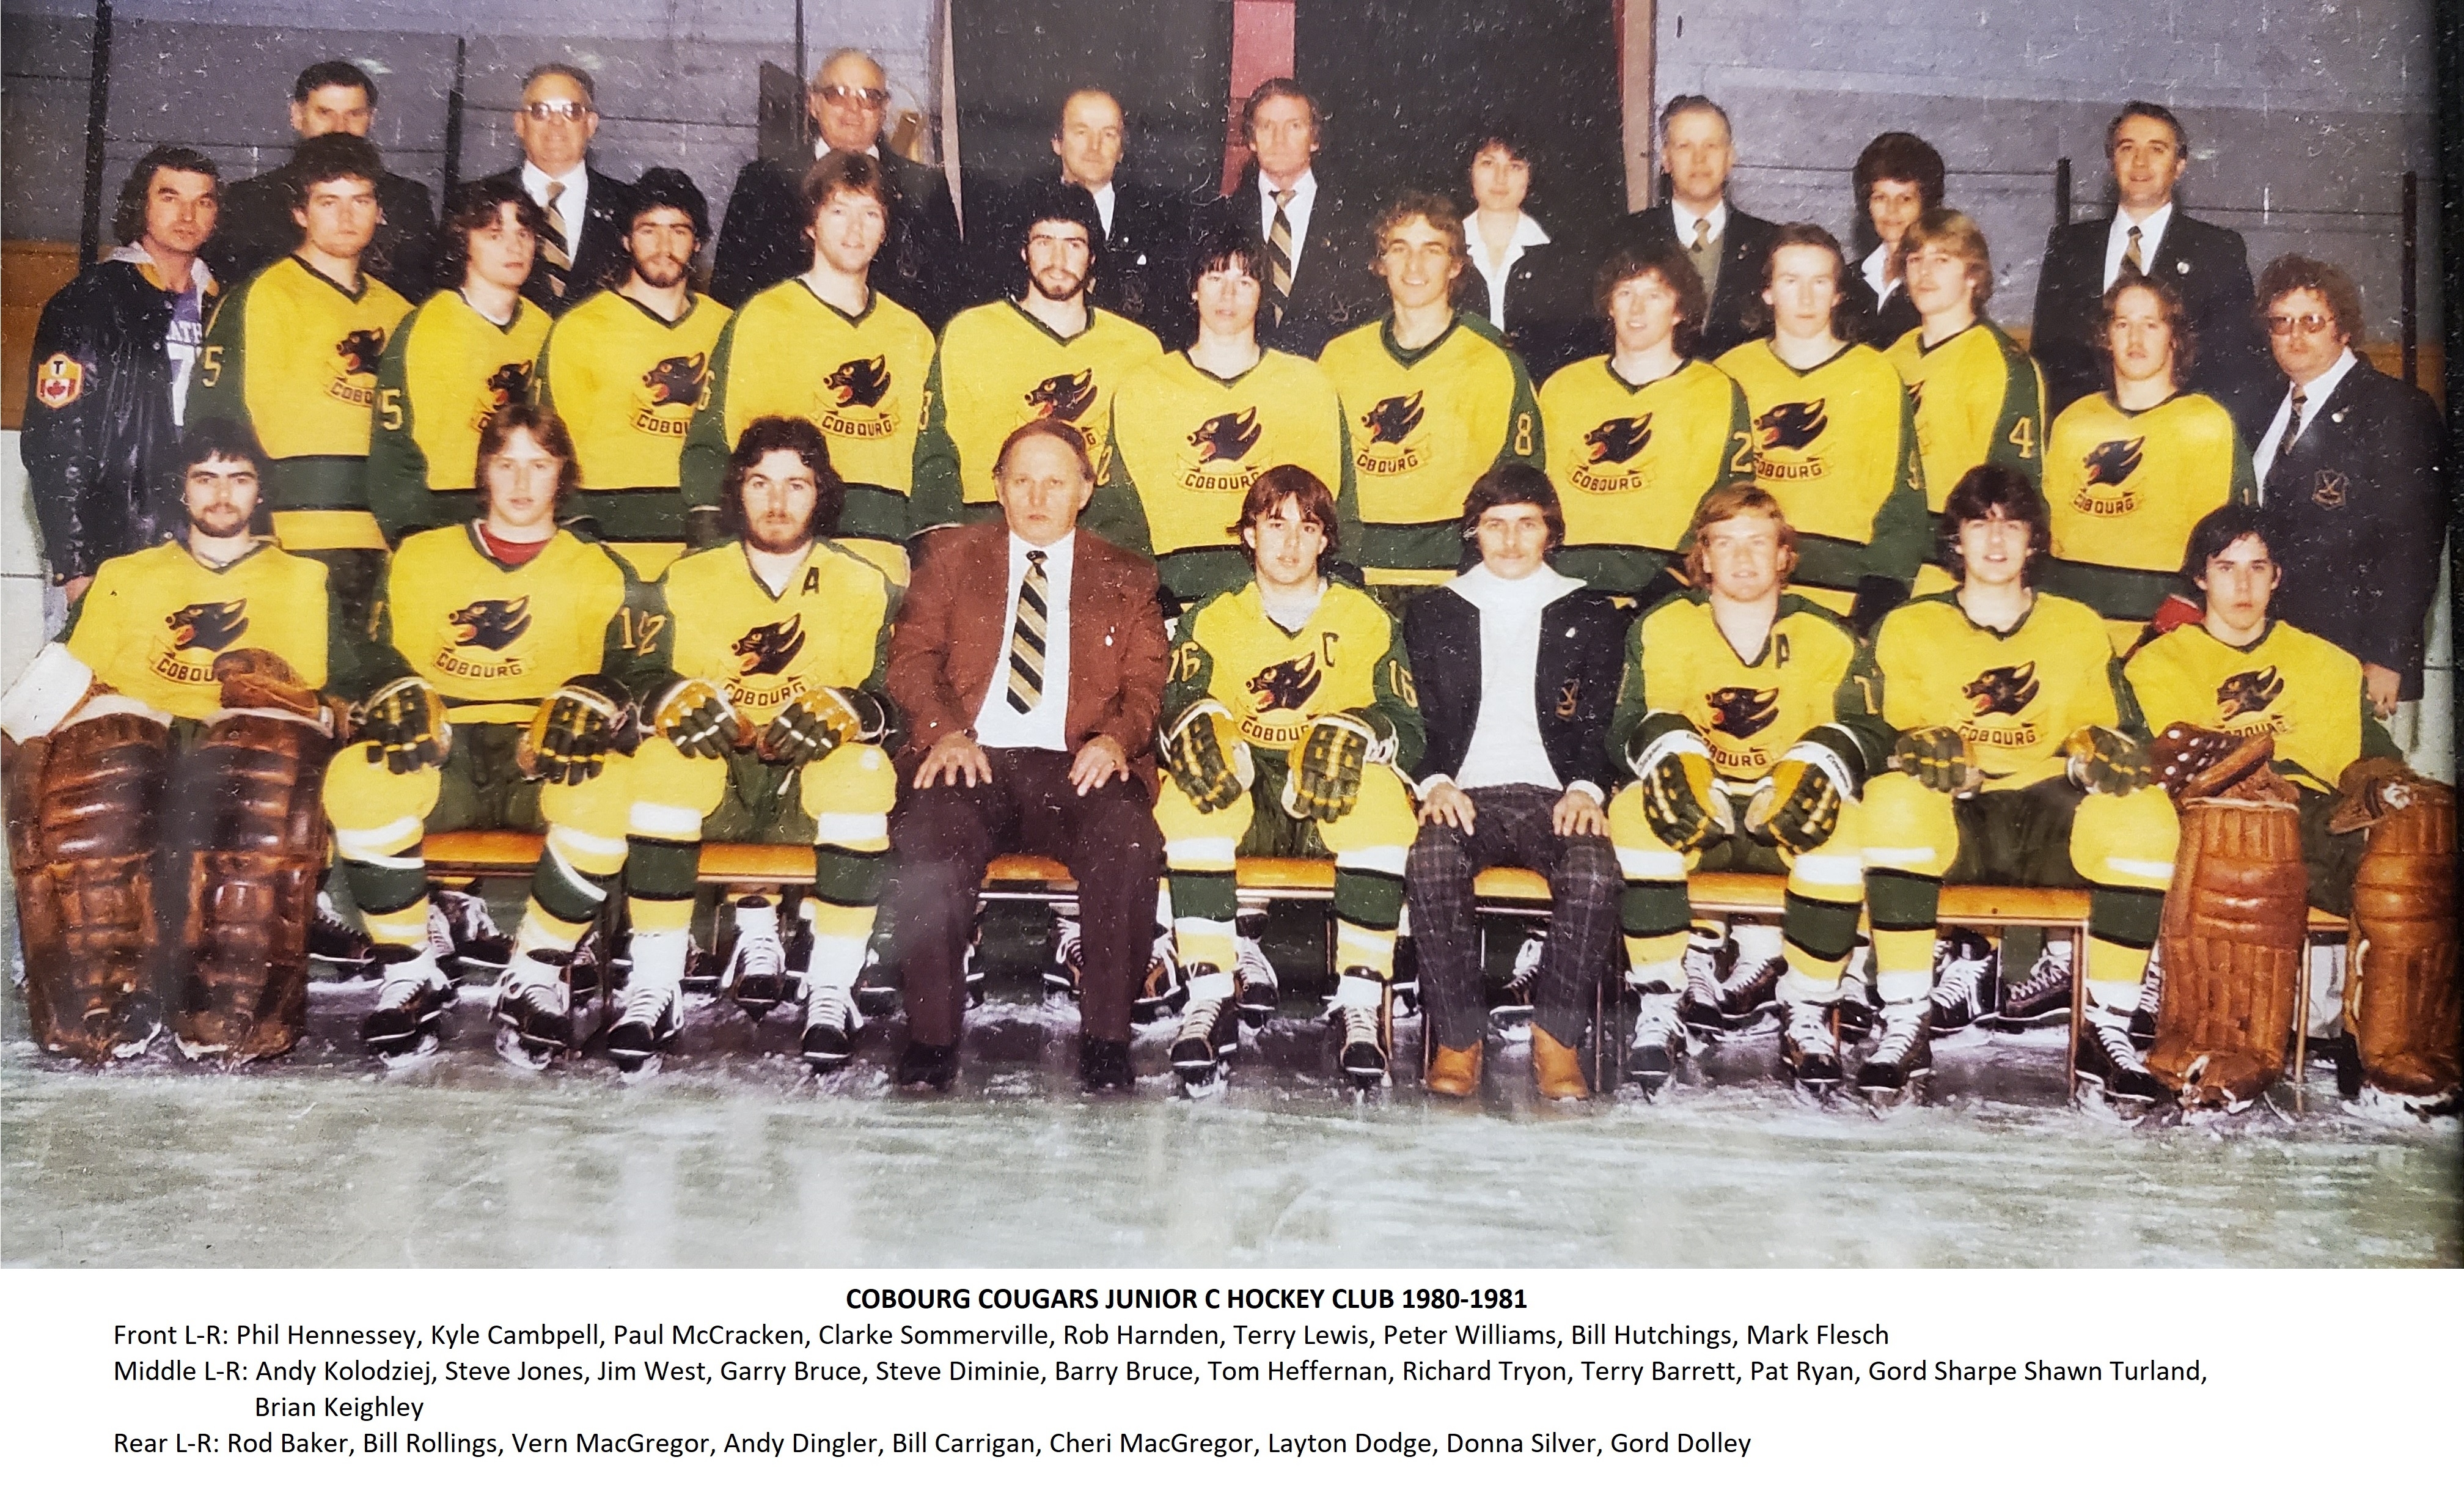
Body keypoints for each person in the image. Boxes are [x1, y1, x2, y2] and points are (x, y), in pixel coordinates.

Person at [319, 405, 676, 1066]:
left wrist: (608, 691)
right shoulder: (419, 557)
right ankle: (410, 972)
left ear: (562, 475)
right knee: (355, 777)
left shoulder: (600, 567)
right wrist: (389, 683)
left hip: (538, 751)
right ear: (482, 469)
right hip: (443, 744)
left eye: (539, 465)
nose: (520, 482)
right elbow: (368, 655)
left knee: (613, 787)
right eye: (506, 463)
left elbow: (642, 665)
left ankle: (534, 975)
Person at [2, 420, 342, 1063]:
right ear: (181, 492)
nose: (222, 495)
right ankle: (107, 994)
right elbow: (67, 676)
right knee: (105, 772)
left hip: (238, 745)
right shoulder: (127, 574)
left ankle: (232, 998)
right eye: (205, 478)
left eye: (239, 479)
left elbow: (336, 690)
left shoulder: (304, 579)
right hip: (144, 743)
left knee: (255, 779)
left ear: (259, 492)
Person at [1858, 466, 2179, 1111]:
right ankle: (1905, 1019)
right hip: (1959, 815)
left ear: (2036, 539)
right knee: (1894, 797)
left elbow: (2119, 732)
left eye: (2013, 524)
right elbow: (1877, 728)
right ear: (1957, 539)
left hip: (2046, 810)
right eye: (1980, 523)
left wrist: (2100, 745)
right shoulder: (1909, 626)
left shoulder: (2078, 625)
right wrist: (1908, 742)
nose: (1997, 540)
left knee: (2144, 810)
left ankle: (2107, 1027)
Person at [600, 417, 903, 1075]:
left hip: (807, 783)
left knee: (865, 766)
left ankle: (831, 985)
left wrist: (859, 707)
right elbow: (637, 675)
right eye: (761, 482)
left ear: (822, 493)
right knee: (661, 758)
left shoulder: (867, 581)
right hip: (722, 781)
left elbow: (898, 691)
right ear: (737, 490)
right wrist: (664, 697)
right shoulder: (684, 577)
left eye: (797, 484)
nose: (777, 501)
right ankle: (654, 983)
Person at [2125, 506, 2452, 1115]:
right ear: (2201, 577)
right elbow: (2152, 762)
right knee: (2248, 831)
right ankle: (2220, 1044)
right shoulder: (2158, 662)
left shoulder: (2323, 660)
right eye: (2226, 568)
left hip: (2320, 811)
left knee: (2418, 838)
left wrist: (2385, 782)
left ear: (2278, 576)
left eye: (2258, 567)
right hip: (2222, 817)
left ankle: (2391, 1056)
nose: (2243, 586)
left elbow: (2368, 753)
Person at [882, 420, 1169, 1093]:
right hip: (972, 755)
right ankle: (931, 1036)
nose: (1038, 497)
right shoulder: (952, 559)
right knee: (928, 834)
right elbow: (912, 660)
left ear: (1085, 491)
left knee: (1127, 837)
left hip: (1077, 764)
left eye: (1055, 481)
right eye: (1022, 480)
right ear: (999, 489)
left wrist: (1115, 740)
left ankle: (1106, 1037)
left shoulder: (1127, 576)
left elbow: (1146, 685)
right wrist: (944, 730)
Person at [1602, 485, 1881, 1096]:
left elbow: (1867, 727)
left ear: (1786, 554)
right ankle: (1661, 999)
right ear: (1702, 556)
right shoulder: (1666, 622)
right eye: (1725, 543)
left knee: (1847, 826)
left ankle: (1809, 1009)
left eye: (1759, 542)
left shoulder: (1826, 632)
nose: (1743, 558)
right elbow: (1625, 724)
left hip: (1784, 809)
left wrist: (1817, 761)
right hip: (1700, 804)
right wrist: (1670, 747)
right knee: (1632, 810)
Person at [1155, 466, 1423, 1094]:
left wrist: (1363, 729)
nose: (1291, 542)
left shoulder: (1366, 617)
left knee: (1382, 799)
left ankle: (1360, 999)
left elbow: (1408, 725)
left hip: (1324, 789)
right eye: (1275, 524)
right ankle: (1210, 991)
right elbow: (1176, 701)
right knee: (1190, 793)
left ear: (1326, 539)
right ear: (1249, 533)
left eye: (1308, 526)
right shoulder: (1214, 616)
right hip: (1247, 789)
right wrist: (1195, 724)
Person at [1404, 466, 1622, 1099]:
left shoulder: (1590, 609)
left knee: (1594, 872)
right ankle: (1459, 1036)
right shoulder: (1437, 609)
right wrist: (1436, 781)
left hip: (1554, 795)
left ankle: (1556, 1038)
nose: (1510, 540)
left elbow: (1601, 717)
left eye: (1527, 524)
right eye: (1495, 525)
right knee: (1433, 860)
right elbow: (1417, 715)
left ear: (1551, 532)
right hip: (1465, 792)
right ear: (1474, 532)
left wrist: (1586, 785)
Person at [189, 132, 413, 640]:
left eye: (361, 201)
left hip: (383, 548)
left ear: (379, 211)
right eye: (328, 202)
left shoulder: (400, 313)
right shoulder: (258, 298)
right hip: (289, 542)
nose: (346, 217)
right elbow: (214, 426)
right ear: (300, 212)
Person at [684, 151, 935, 582]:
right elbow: (712, 446)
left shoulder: (912, 334)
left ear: (885, 231)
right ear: (811, 224)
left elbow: (930, 460)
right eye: (838, 211)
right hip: (786, 558)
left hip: (885, 563)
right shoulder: (764, 318)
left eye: (869, 214)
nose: (855, 229)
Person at [1087, 223, 1352, 609]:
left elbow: (1340, 506)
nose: (1228, 294)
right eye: (1215, 277)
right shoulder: (1144, 387)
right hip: (1175, 600)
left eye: (1245, 281)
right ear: (1194, 288)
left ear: (1263, 295)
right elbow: (1116, 513)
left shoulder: (1306, 384)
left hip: (1283, 598)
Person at [2244, 255, 2447, 724]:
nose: (2295, 336)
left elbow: (2411, 549)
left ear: (2345, 329)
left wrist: (2388, 657)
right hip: (2274, 648)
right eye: (2281, 322)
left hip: (2355, 658)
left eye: (2312, 321)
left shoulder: (2397, 411)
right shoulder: (2260, 408)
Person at [1316, 191, 1542, 594]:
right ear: (1380, 264)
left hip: (1453, 580)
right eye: (1399, 249)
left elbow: (1521, 480)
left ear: (1456, 265)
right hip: (1356, 579)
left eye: (1432, 250)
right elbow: (1322, 475)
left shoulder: (1491, 359)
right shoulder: (1340, 357)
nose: (1414, 266)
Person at [23, 146, 222, 601]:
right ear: (141, 205)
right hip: (116, 541)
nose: (188, 215)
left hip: (208, 540)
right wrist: (74, 564)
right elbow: (58, 440)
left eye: (204, 201)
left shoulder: (229, 304)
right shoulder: (89, 300)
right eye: (170, 197)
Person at [909, 180, 1160, 533]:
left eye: (1073, 244)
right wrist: (938, 534)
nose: (1058, 260)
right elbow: (935, 445)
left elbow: (1145, 467)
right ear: (1024, 251)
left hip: (1093, 534)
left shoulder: (1137, 348)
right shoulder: (972, 332)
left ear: (1093, 256)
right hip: (989, 529)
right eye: (1044, 242)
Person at [1715, 224, 1926, 631]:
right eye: (1791, 281)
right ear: (1768, 292)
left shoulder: (1876, 375)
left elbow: (1902, 502)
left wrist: (1881, 594)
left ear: (1838, 293)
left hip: (1843, 595)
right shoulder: (1729, 373)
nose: (1806, 297)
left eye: (1820, 281)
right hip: (1743, 591)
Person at [532, 167, 733, 578]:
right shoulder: (580, 328)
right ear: (626, 239)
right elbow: (549, 445)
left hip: (705, 552)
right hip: (605, 552)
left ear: (699, 242)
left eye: (678, 231)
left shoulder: (729, 328)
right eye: (648, 230)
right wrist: (583, 543)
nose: (664, 245)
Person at [2041, 276, 2253, 653]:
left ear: (2174, 337)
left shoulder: (2205, 423)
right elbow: (2047, 535)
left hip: (2164, 642)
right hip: (2070, 637)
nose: (2135, 339)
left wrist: (2161, 641)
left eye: (2150, 325)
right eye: (2122, 324)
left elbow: (2225, 549)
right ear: (2107, 336)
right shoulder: (2073, 421)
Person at [1537, 243, 1752, 604]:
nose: (1637, 309)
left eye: (1654, 295)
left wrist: (1671, 583)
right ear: (1609, 304)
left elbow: (1732, 498)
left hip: (1667, 594)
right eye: (1625, 294)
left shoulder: (1715, 390)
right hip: (1568, 590)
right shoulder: (1563, 387)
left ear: (1679, 310)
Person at [2028, 101, 2267, 419]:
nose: (2140, 162)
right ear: (2113, 162)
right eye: (2127, 148)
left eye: (2157, 149)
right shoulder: (2069, 245)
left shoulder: (2217, 249)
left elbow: (2234, 368)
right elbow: (2047, 360)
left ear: (2180, 165)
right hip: (2084, 436)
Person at [710, 47, 964, 326]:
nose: (853, 110)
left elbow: (949, 303)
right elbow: (730, 298)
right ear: (813, 103)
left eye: (869, 97)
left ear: (884, 109)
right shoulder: (762, 183)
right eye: (837, 95)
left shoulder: (925, 188)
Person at [364, 179, 553, 544]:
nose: (515, 247)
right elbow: (394, 449)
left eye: (525, 234)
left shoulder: (545, 329)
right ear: (463, 241)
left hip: (530, 523)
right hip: (444, 520)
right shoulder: (425, 326)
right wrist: (411, 536)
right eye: (494, 235)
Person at [1882, 209, 2047, 593]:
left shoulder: (2004, 364)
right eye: (1915, 260)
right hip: (1890, 562)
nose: (1925, 273)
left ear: (1973, 274)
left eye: (1942, 260)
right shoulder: (1891, 358)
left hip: (1956, 568)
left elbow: (2017, 489)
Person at [211, 59, 435, 299]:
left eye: (354, 114)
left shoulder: (406, 199)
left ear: (372, 118)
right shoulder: (249, 200)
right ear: (297, 116)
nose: (339, 128)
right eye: (325, 113)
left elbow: (419, 295)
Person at [1192, 78, 1374, 358]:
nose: (1279, 139)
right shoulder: (1219, 218)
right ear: (1251, 140)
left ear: (1314, 139)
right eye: (1267, 127)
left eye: (1294, 126)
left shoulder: (1356, 222)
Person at [989, 87, 1187, 342]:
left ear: (1122, 150)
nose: (1095, 147)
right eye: (1081, 132)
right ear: (1057, 142)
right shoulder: (1015, 215)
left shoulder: (1161, 223)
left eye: (1109, 134)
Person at [1598, 97, 1780, 360]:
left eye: (1712, 146)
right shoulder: (1623, 238)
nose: (1700, 159)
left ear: (1731, 158)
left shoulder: (1769, 243)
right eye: (1685, 147)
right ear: (1666, 160)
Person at [477, 64, 637, 314]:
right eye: (540, 111)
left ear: (591, 124)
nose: (555, 123)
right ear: (520, 123)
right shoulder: (472, 201)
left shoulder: (630, 207)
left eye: (571, 111)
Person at [1458, 127, 1584, 380]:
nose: (1500, 177)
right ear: (1469, 171)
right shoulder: (1445, 250)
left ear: (1531, 176)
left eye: (1515, 166)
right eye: (1488, 163)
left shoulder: (1561, 257)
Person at [1841, 132, 1943, 350]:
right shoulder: (1848, 279)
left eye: (1905, 199)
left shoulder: (1939, 281)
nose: (1892, 210)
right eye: (1880, 198)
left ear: (1926, 204)